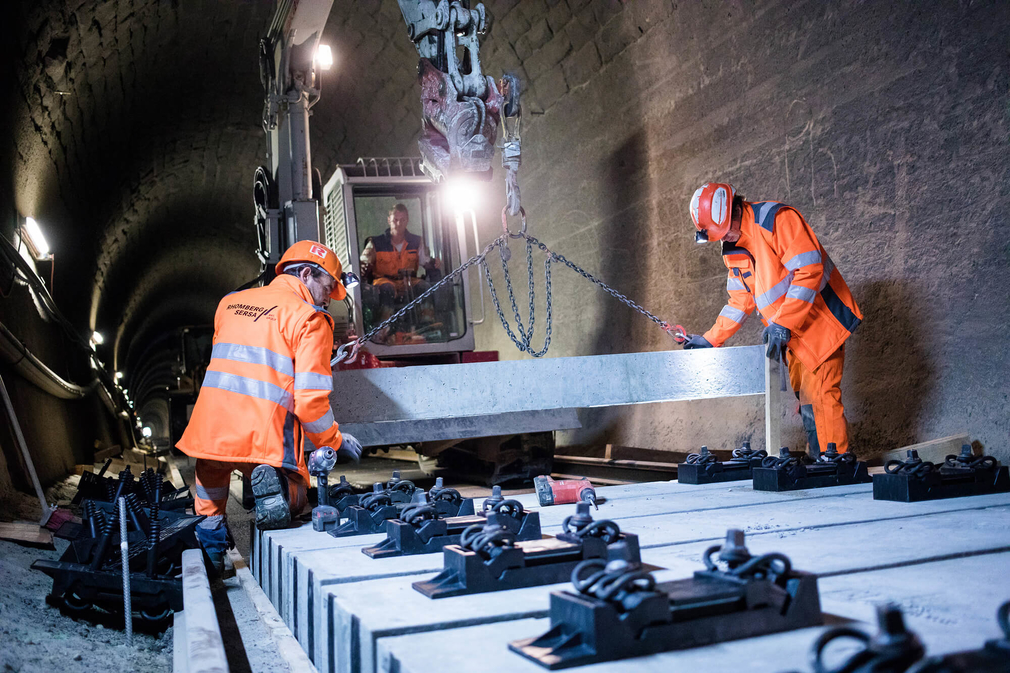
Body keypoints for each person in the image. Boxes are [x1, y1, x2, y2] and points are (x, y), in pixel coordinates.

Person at [177, 240, 363, 572]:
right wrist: (334, 442)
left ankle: (211, 545)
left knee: (211, 478)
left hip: (212, 431)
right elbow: (310, 402)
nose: (328, 299)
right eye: (327, 287)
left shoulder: (229, 304)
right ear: (305, 274)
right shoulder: (311, 319)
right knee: (298, 493)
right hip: (264, 439)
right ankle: (278, 490)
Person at [683, 183, 862, 454]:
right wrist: (711, 339)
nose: (725, 237)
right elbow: (740, 300)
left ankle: (836, 466)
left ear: (734, 210)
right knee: (809, 405)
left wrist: (782, 324)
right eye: (720, 235)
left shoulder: (776, 220)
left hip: (820, 325)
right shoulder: (733, 248)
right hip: (793, 338)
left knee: (821, 400)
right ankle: (822, 462)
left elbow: (809, 269)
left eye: (725, 230)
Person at [359, 203, 440, 301]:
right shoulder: (376, 243)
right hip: (383, 282)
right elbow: (362, 265)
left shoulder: (417, 242)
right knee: (386, 289)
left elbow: (427, 262)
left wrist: (435, 263)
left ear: (407, 221)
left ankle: (427, 311)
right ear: (389, 220)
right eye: (395, 220)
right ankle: (386, 311)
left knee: (424, 287)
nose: (398, 224)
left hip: (409, 282)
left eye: (402, 220)